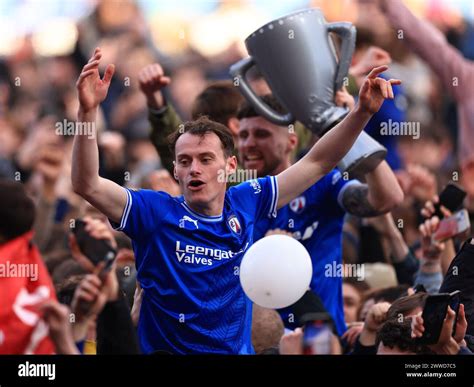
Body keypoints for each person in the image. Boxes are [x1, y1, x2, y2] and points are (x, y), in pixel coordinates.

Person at [72, 47, 400, 354]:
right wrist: (87, 112)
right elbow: (87, 184)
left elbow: (316, 162)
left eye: (205, 159)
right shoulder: (154, 211)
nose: (194, 169)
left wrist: (361, 113)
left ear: (230, 166)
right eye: (184, 162)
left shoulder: (247, 200)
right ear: (174, 169)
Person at [238, 93, 404, 335]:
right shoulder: (231, 200)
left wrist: (356, 130)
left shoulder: (322, 185)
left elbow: (389, 197)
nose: (248, 144)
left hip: (322, 338)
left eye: (261, 134)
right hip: (256, 343)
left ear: (291, 142)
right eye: (243, 135)